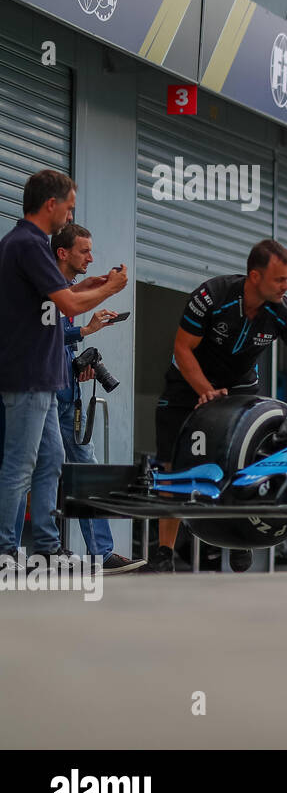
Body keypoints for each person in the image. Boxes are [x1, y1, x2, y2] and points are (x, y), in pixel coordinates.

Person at [148, 239, 287, 573]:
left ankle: (239, 538)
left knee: (241, 465)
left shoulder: (283, 309)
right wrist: (205, 390)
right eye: (280, 279)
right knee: (173, 470)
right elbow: (182, 348)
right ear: (255, 276)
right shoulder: (211, 296)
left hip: (240, 388)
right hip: (187, 384)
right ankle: (164, 555)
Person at [0, 170, 127, 568]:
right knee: (20, 466)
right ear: (51, 205)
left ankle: (46, 547)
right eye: (69, 208)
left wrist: (97, 282)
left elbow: (65, 293)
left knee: (52, 460)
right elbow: (69, 307)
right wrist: (111, 288)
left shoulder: (29, 244)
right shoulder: (27, 244)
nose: (70, 217)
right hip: (28, 375)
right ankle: (4, 551)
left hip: (44, 378)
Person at [49, 223, 144, 573]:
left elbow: (59, 340)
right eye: (84, 251)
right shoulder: (46, 287)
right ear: (63, 252)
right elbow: (40, 331)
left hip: (66, 390)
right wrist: (84, 330)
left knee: (85, 470)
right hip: (41, 395)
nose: (91, 257)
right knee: (37, 468)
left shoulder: (70, 290)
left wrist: (77, 364)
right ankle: (28, 550)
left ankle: (101, 555)